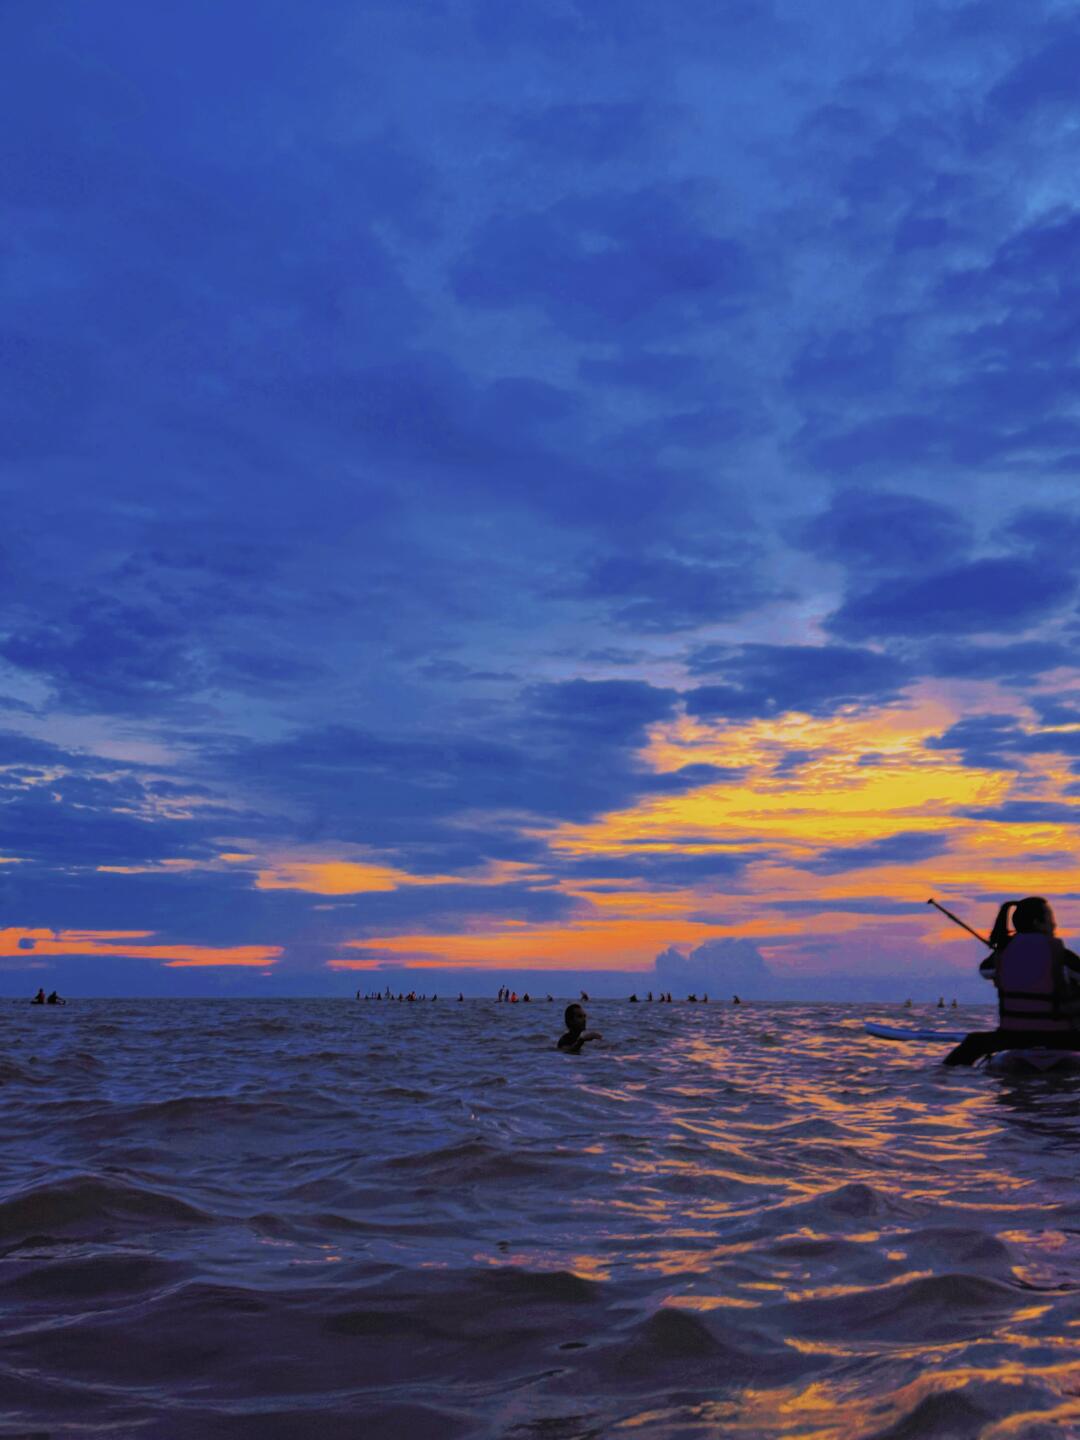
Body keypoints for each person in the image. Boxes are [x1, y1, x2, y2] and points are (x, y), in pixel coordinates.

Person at [944, 897, 1080, 1065]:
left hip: (1012, 1035)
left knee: (973, 1042)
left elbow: (985, 972)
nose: (1054, 924)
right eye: (1050, 918)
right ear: (1037, 923)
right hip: (1061, 1037)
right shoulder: (1062, 955)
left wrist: (1001, 954)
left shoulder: (1002, 954)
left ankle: (943, 1074)